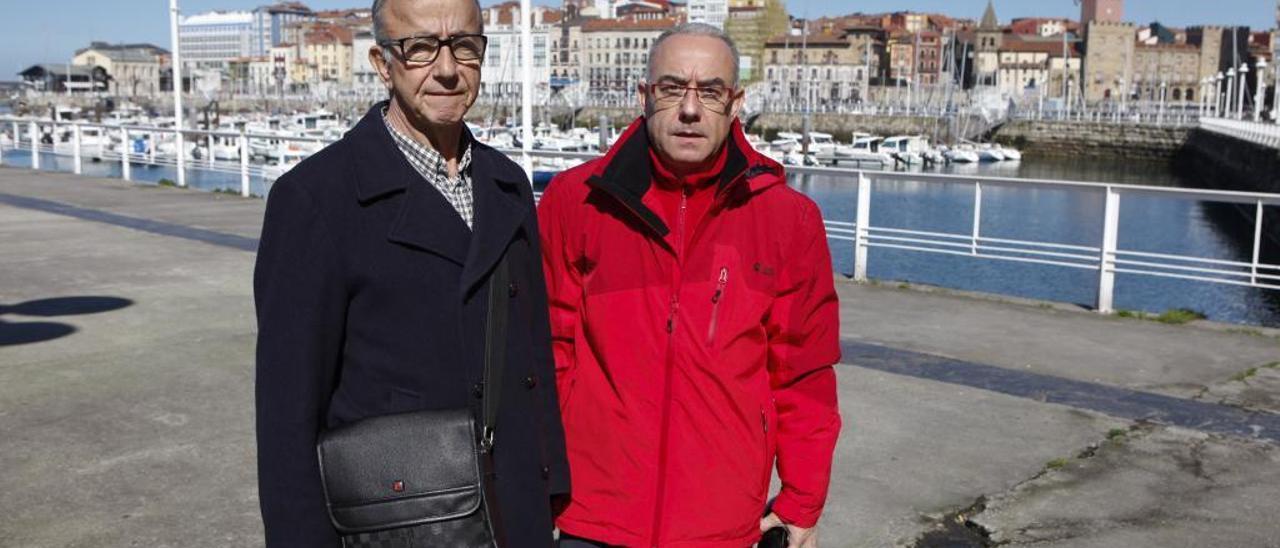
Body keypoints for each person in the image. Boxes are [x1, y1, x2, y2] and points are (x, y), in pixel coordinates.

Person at [253, 0, 568, 545]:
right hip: (403, 519)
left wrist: (551, 490)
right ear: (382, 63)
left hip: (515, 511)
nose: (446, 69)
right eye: (420, 48)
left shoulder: (507, 183)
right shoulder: (315, 199)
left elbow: (530, 357)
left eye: (464, 46)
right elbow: (287, 416)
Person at [537, 22, 841, 548]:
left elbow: (803, 374)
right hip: (592, 515)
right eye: (672, 88)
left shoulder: (788, 220)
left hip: (721, 523)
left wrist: (801, 500)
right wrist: (538, 484)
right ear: (645, 96)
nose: (690, 109)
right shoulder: (575, 202)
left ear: (736, 102)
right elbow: (544, 355)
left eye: (711, 91)